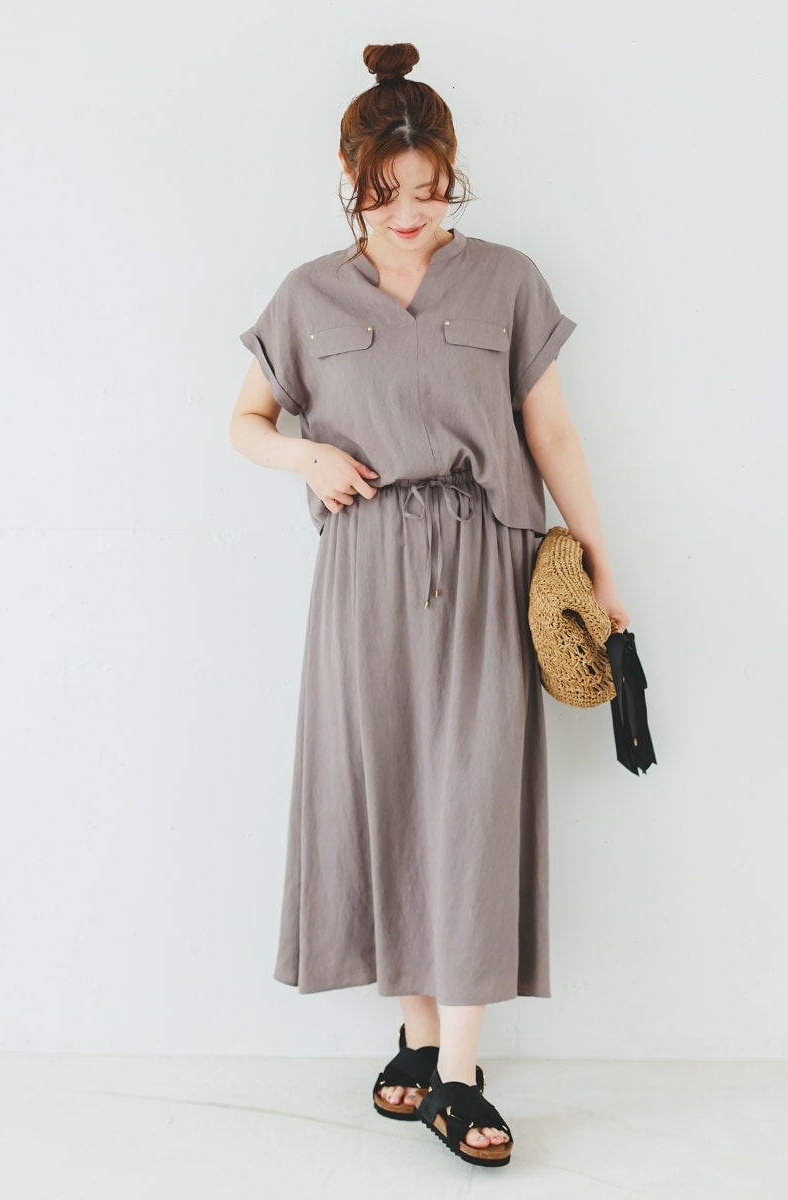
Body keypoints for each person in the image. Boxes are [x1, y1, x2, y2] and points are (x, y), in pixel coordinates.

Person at [229, 42, 629, 1169]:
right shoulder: (307, 294)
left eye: (430, 188)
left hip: (486, 563)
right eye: (385, 193)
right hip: (363, 572)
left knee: (474, 801)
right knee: (388, 792)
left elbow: (553, 435)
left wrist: (604, 569)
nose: (409, 214)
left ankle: (460, 1072)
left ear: (452, 174)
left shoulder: (506, 280)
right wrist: (305, 460)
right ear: (351, 180)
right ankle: (414, 1041)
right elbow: (246, 422)